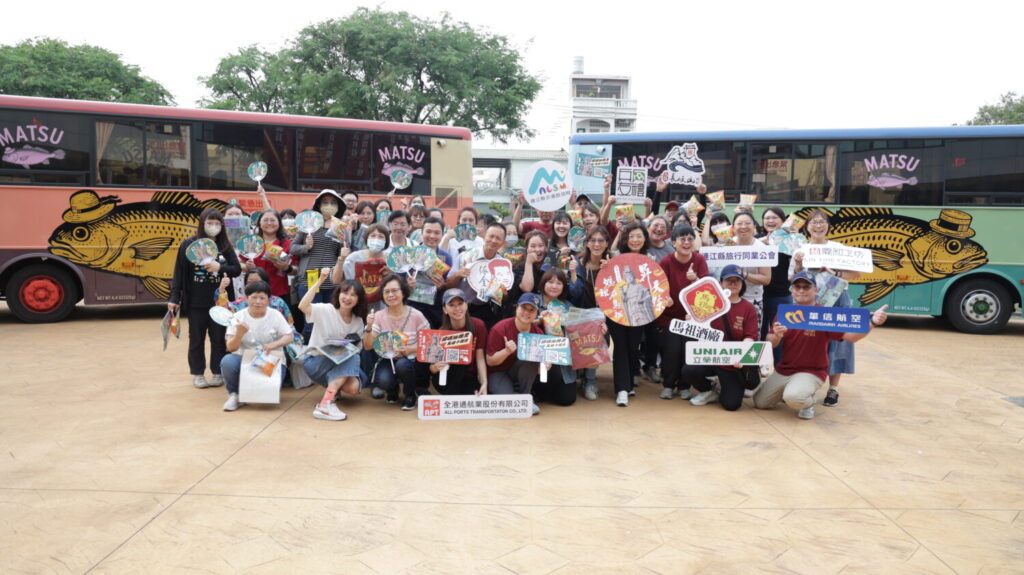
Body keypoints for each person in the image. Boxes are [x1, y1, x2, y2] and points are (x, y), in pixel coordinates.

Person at [753, 271, 888, 419]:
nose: (801, 290)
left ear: (816, 290)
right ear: (792, 291)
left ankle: (807, 401)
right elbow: (771, 341)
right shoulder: (785, 313)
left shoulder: (824, 315)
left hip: (812, 371)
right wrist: (777, 336)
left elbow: (851, 337)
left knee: (794, 397)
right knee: (760, 402)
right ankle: (793, 389)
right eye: (797, 287)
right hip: (785, 369)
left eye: (806, 287)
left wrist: (873, 323)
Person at [789, 209, 862, 407]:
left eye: (822, 222)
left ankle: (833, 389)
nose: (818, 226)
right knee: (809, 342)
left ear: (828, 226)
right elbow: (792, 279)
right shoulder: (800, 249)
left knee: (839, 344)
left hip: (838, 300)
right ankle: (806, 386)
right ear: (807, 227)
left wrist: (834, 270)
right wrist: (797, 265)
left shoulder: (838, 248)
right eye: (813, 222)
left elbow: (856, 274)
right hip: (810, 303)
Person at [168, 207, 242, 389]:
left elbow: (236, 269)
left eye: (217, 223)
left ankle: (218, 372)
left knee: (218, 337)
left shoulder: (225, 246)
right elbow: (179, 273)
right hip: (195, 301)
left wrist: (220, 267)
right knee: (196, 338)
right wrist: (174, 297)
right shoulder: (189, 245)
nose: (213, 226)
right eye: (210, 222)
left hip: (220, 302)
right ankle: (198, 373)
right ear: (202, 223)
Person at [680, 265, 759, 411]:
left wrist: (741, 356)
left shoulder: (748, 308)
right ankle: (708, 390)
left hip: (733, 362)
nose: (733, 284)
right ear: (721, 283)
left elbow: (750, 336)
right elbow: (699, 328)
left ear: (742, 284)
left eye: (737, 281)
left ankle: (726, 385)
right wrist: (691, 320)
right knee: (689, 370)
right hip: (711, 356)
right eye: (729, 280)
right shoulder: (710, 302)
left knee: (731, 405)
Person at [300, 272, 368, 421]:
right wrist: (320, 281)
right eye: (345, 292)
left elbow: (359, 346)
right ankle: (326, 403)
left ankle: (333, 389)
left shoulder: (358, 321)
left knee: (353, 388)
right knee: (353, 356)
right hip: (316, 362)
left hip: (339, 362)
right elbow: (303, 306)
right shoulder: (326, 310)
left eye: (353, 295)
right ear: (338, 294)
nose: (348, 298)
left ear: (359, 300)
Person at [220, 281, 294, 411]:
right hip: (245, 359)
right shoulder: (238, 316)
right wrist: (239, 334)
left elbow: (289, 336)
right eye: (254, 297)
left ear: (268, 300)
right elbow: (230, 348)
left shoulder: (275, 315)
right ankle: (234, 395)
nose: (258, 302)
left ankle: (256, 390)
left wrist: (273, 344)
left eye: (262, 298)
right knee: (228, 361)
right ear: (247, 298)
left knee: (268, 393)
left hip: (270, 359)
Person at [657, 223, 710, 399]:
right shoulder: (666, 261)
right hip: (670, 316)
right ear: (674, 243)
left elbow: (707, 289)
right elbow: (659, 287)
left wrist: (695, 279)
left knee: (688, 350)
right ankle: (668, 384)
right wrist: (665, 298)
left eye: (690, 239)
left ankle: (684, 386)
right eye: (682, 239)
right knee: (672, 351)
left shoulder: (699, 260)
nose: (687, 242)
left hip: (693, 317)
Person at [364, 273, 431, 410]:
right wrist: (369, 327)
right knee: (383, 380)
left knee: (403, 365)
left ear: (403, 292)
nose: (390, 295)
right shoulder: (378, 316)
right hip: (387, 359)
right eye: (386, 292)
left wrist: (410, 350)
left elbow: (430, 343)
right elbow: (367, 345)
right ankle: (392, 389)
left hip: (412, 361)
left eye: (394, 290)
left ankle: (409, 394)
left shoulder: (416, 315)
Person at [606, 222, 653, 407]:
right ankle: (622, 389)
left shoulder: (649, 259)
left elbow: (654, 288)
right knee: (621, 348)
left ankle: (629, 379)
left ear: (644, 239)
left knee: (633, 347)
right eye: (631, 236)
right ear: (626, 238)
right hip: (617, 311)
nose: (635, 240)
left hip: (638, 314)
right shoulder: (616, 257)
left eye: (639, 236)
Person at [290, 189, 345, 342]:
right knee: (311, 323)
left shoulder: (340, 226)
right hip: (309, 281)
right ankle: (306, 358)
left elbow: (344, 254)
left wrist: (343, 243)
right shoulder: (308, 224)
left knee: (330, 323)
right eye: (325, 202)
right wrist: (306, 247)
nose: (329, 205)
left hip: (332, 281)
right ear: (318, 205)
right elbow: (292, 248)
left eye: (333, 203)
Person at [485, 293, 546, 415]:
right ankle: (513, 394)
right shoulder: (500, 328)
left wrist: (544, 366)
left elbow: (538, 370)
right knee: (506, 401)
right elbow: (490, 361)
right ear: (516, 308)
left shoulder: (538, 333)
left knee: (530, 357)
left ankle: (526, 398)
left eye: (532, 310)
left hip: (519, 372)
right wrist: (506, 351)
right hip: (498, 371)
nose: (527, 313)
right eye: (523, 308)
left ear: (537, 314)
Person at [571, 225, 612, 400]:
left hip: (601, 317)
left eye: (600, 240)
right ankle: (575, 376)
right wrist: (572, 273)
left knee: (597, 335)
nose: (596, 244)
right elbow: (573, 295)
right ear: (587, 243)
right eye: (593, 240)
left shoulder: (612, 264)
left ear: (606, 243)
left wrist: (610, 272)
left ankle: (590, 381)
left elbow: (615, 297)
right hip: (577, 315)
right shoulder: (577, 264)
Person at [446, 222, 509, 329]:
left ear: (503, 243)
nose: (493, 240)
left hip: (484, 308)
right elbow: (448, 285)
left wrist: (502, 294)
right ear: (484, 236)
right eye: (491, 236)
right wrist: (458, 274)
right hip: (459, 306)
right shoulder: (465, 256)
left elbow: (502, 298)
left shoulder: (502, 264)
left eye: (498, 238)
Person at [427, 289, 489, 395]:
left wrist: (484, 383)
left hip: (469, 377)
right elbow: (432, 368)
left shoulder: (478, 325)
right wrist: (436, 367)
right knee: (457, 356)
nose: (457, 308)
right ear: (445, 309)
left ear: (466, 305)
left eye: (460, 304)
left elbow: (480, 358)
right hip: (446, 378)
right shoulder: (440, 332)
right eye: (451, 305)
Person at [536, 268, 581, 406]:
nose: (554, 286)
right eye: (550, 282)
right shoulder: (532, 301)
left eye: (559, 283)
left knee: (566, 399)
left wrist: (598, 328)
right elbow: (519, 324)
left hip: (562, 360)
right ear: (543, 283)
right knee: (540, 394)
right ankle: (539, 387)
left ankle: (553, 388)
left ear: (564, 287)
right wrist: (538, 320)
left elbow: (580, 331)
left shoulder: (567, 306)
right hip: (539, 359)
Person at [406, 216, 452, 327]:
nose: (432, 236)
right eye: (428, 232)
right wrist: (405, 284)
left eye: (437, 233)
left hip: (434, 311)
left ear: (442, 234)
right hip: (411, 307)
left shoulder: (446, 257)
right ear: (422, 233)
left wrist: (442, 285)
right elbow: (398, 281)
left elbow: (446, 286)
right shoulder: (409, 254)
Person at [730, 211, 771, 330]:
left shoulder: (761, 249)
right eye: (739, 223)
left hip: (753, 300)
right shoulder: (726, 245)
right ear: (733, 227)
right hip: (729, 299)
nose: (743, 226)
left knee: (752, 337)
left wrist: (745, 275)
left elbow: (766, 279)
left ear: (754, 226)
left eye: (747, 223)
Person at [758, 207, 793, 346]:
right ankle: (755, 367)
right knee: (758, 334)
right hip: (757, 297)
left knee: (780, 335)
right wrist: (763, 241)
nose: (770, 221)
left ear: (783, 221)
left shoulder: (789, 241)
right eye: (767, 218)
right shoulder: (756, 240)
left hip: (781, 296)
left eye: (774, 218)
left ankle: (779, 367)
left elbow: (795, 266)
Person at [337, 223, 390, 310]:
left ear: (386, 241)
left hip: (382, 309)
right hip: (356, 307)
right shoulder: (354, 258)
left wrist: (389, 275)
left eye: (381, 236)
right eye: (373, 236)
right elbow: (339, 281)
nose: (376, 239)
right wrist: (341, 259)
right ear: (367, 239)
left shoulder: (390, 260)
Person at [250, 210, 296, 305]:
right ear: (259, 223)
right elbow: (240, 263)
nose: (269, 223)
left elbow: (296, 268)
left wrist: (286, 268)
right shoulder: (252, 242)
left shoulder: (287, 243)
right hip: (254, 293)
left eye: (273, 220)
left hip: (280, 292)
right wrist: (247, 267)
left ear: (279, 223)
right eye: (265, 220)